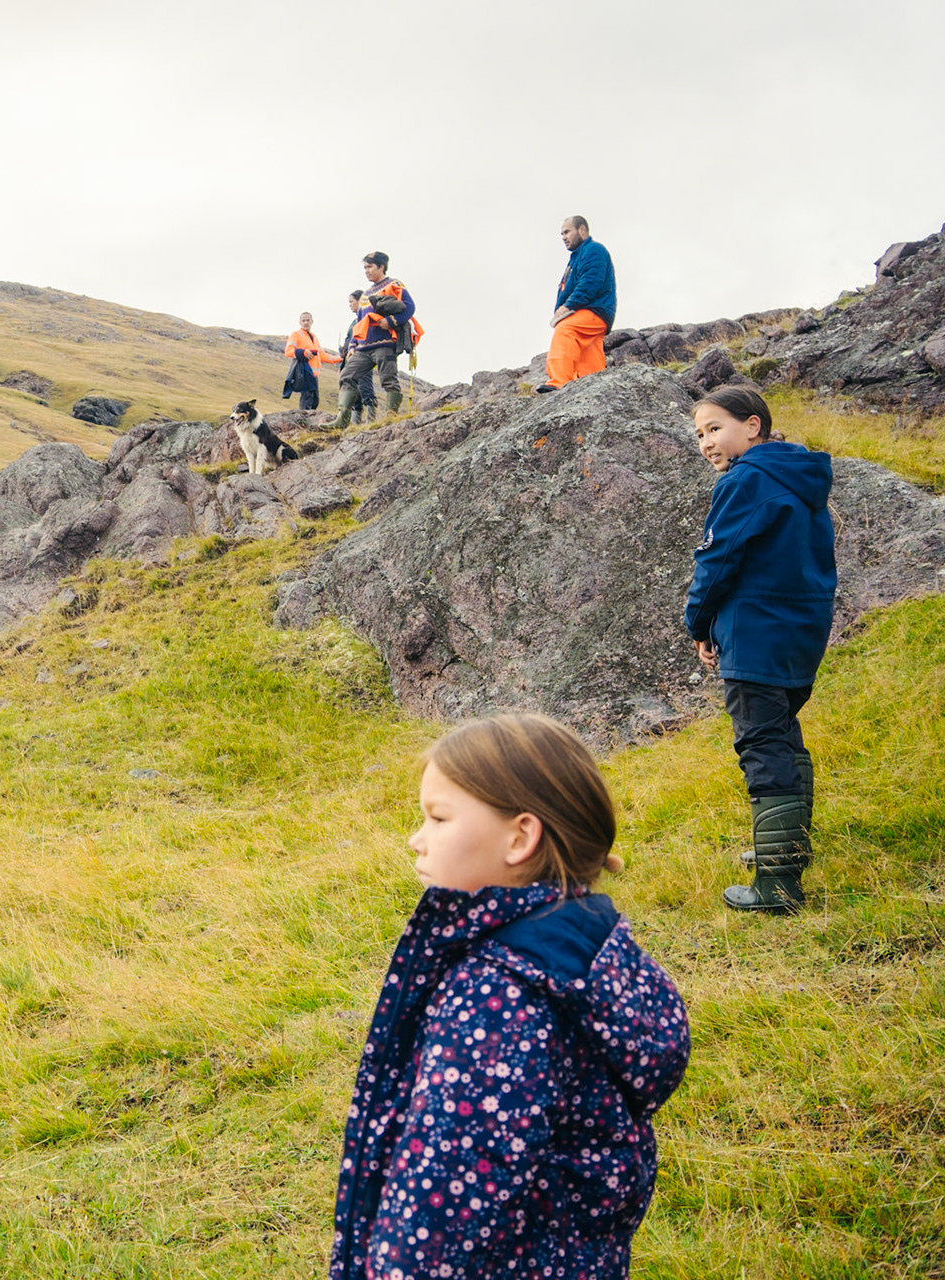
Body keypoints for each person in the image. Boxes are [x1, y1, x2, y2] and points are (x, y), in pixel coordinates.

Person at [330, 714, 691, 1279]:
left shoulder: (495, 996)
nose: (416, 838)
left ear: (520, 837)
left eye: (438, 817)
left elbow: (449, 1190)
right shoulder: (583, 943)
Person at [685, 386, 837, 912]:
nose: (706, 442)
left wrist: (698, 623)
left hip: (755, 634)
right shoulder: (801, 478)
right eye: (699, 435)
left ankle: (778, 885)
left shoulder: (746, 480)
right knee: (785, 739)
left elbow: (717, 560)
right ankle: (786, 851)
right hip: (799, 633)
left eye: (714, 428)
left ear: (752, 426)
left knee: (763, 746)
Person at [538, 215, 616, 393]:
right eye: (561, 234)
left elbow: (591, 282)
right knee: (589, 348)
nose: (564, 237)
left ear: (582, 230)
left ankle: (559, 380)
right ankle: (593, 387)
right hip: (593, 311)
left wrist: (569, 305)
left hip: (594, 309)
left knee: (566, 329)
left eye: (567, 232)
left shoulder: (593, 250)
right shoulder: (576, 258)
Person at [336, 252, 413, 426]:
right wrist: (354, 344)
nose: (366, 271)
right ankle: (341, 420)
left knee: (388, 380)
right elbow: (360, 321)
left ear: (381, 266)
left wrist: (391, 321)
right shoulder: (365, 295)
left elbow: (409, 307)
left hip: (385, 344)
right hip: (363, 348)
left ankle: (390, 418)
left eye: (370, 267)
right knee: (347, 375)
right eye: (365, 267)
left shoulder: (395, 284)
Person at [336, 293, 379, 423]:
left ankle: (370, 422)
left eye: (351, 302)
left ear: (360, 301)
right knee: (355, 394)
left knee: (366, 390)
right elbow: (348, 344)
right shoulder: (354, 322)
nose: (350, 305)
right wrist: (343, 365)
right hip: (351, 362)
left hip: (363, 359)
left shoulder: (367, 319)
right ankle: (355, 424)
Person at [282, 311, 337, 411]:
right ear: (300, 322)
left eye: (308, 320)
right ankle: (304, 422)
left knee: (315, 400)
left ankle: (309, 421)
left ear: (312, 321)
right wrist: (304, 353)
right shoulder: (296, 334)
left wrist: (338, 359)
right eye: (303, 320)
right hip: (304, 371)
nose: (306, 322)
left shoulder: (314, 337)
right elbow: (288, 351)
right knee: (307, 398)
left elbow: (322, 355)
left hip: (314, 375)